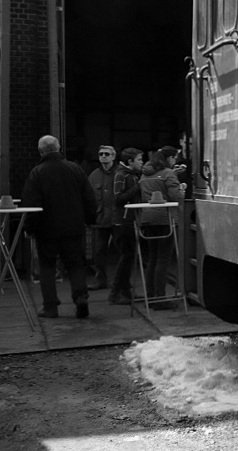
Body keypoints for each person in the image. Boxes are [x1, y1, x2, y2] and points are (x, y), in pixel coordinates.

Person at [20, 135, 96, 319]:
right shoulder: (75, 169)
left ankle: (50, 307)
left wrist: (30, 228)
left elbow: (31, 205)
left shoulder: (37, 173)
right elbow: (89, 198)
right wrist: (90, 220)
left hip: (46, 230)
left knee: (47, 267)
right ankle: (80, 299)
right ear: (59, 147)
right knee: (76, 265)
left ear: (40, 151)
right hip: (73, 227)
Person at [139, 146, 186, 309]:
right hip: (166, 219)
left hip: (147, 219)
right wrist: (182, 188)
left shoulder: (145, 173)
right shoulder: (168, 173)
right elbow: (176, 196)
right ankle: (160, 297)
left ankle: (150, 296)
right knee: (163, 258)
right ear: (169, 158)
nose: (175, 161)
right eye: (174, 158)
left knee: (152, 258)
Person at [108, 148, 145, 305]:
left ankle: (125, 291)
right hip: (123, 221)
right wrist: (137, 187)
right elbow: (118, 198)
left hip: (129, 220)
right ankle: (115, 293)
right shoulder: (121, 175)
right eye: (139, 160)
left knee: (128, 257)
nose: (141, 162)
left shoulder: (130, 175)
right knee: (126, 257)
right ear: (130, 161)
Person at [87, 145, 119, 291]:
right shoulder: (93, 176)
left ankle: (121, 282)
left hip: (117, 219)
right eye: (101, 154)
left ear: (113, 156)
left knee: (122, 251)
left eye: (107, 154)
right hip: (101, 220)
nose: (103, 156)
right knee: (99, 252)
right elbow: (88, 197)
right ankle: (101, 280)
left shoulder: (120, 173)